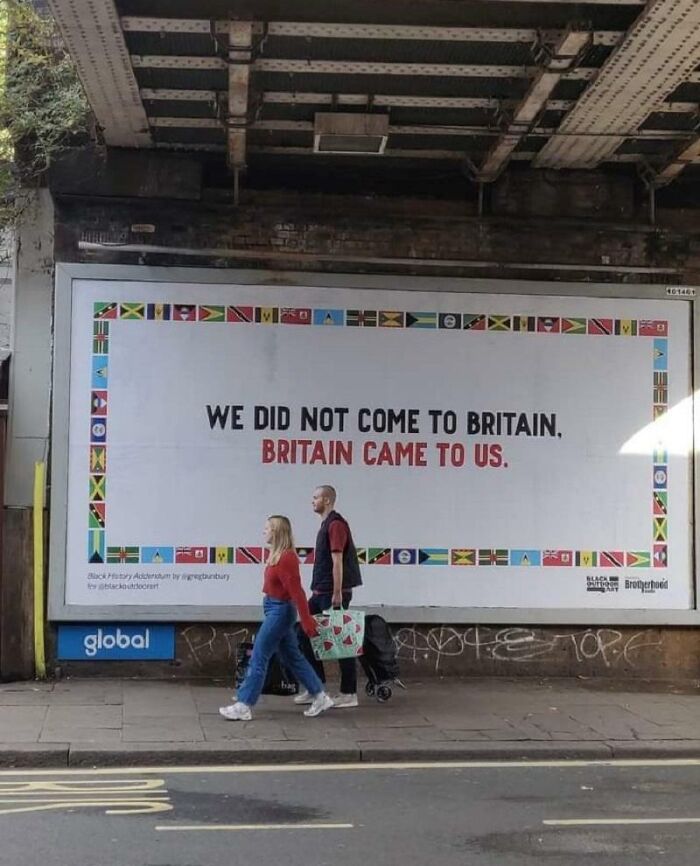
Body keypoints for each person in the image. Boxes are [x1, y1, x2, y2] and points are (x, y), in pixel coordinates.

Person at [219, 515, 333, 721]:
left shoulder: (287, 558)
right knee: (293, 657)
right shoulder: (277, 555)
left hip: (280, 612)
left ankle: (244, 705)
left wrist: (306, 620)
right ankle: (320, 695)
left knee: (259, 656)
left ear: (277, 532)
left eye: (267, 528)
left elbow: (297, 591)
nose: (264, 531)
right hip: (274, 608)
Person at [296, 485, 363, 709]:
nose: (312, 501)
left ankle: (349, 693)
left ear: (326, 500)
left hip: (332, 594)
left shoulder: (335, 525)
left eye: (315, 497)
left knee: (342, 641)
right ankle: (316, 687)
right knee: (303, 632)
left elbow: (337, 561)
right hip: (320, 592)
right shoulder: (326, 524)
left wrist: (337, 593)